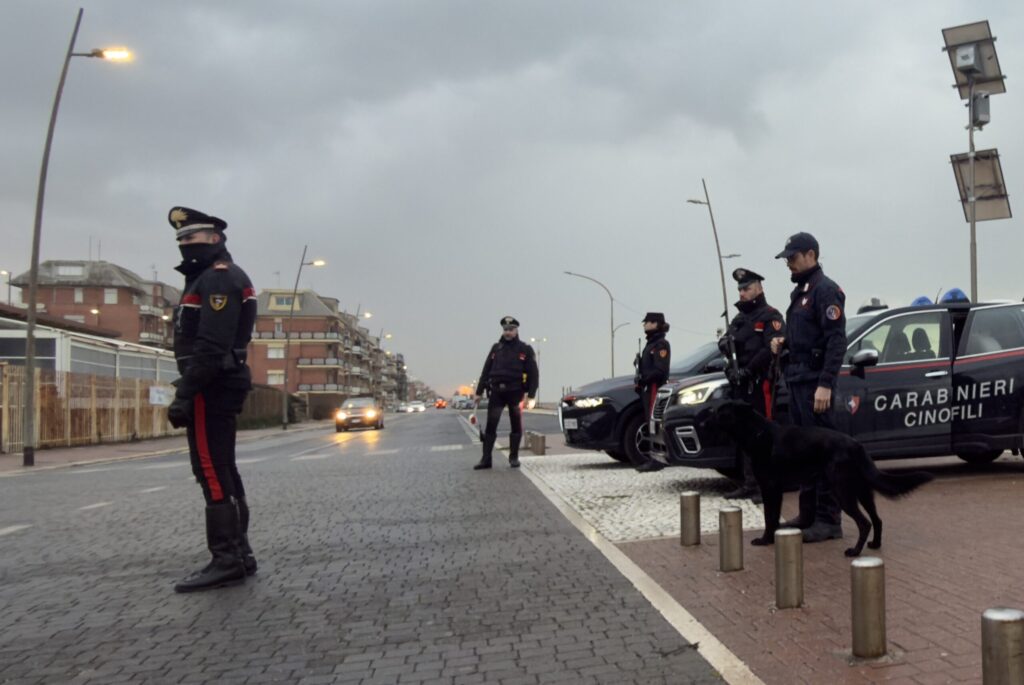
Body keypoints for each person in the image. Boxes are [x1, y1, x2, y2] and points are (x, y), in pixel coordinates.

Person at [166, 206, 258, 592]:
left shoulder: (217, 280)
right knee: (223, 467)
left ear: (215, 239)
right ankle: (240, 552)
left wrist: (186, 392)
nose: (187, 245)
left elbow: (211, 343)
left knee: (210, 468)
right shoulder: (210, 277)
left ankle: (226, 558)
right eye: (182, 240)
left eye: (194, 238)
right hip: (219, 379)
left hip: (211, 382)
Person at [771, 232, 848, 543]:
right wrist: (784, 342)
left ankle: (829, 520)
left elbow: (835, 340)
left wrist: (826, 384)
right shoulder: (801, 292)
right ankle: (808, 513)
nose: (788, 262)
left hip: (815, 384)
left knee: (823, 452)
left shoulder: (825, 291)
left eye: (793, 256)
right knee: (804, 452)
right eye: (787, 258)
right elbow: (806, 336)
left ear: (811, 255)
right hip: (798, 380)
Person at [718, 268, 785, 500]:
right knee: (745, 435)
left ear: (759, 288)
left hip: (759, 383)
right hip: (739, 384)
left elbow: (771, 348)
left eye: (746, 288)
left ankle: (765, 484)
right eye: (739, 289)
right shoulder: (738, 319)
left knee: (762, 434)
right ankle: (749, 483)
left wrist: (749, 370)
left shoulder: (770, 316)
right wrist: (726, 354)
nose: (742, 293)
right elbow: (727, 343)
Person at [473, 316, 539, 470]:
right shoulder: (496, 348)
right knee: (491, 426)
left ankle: (514, 457)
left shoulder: (525, 349)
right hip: (497, 392)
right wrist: (479, 392)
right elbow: (486, 370)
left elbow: (534, 374)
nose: (508, 332)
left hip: (515, 392)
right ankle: (486, 459)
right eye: (505, 330)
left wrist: (531, 395)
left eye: (511, 329)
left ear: (516, 331)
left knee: (516, 425)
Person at [632, 312, 670, 473]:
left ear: (655, 324)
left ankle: (657, 459)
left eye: (647, 322)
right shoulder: (650, 344)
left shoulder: (661, 344)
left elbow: (660, 370)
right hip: (647, 388)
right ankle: (654, 457)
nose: (645, 325)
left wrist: (644, 378)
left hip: (655, 387)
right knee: (650, 423)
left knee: (655, 423)